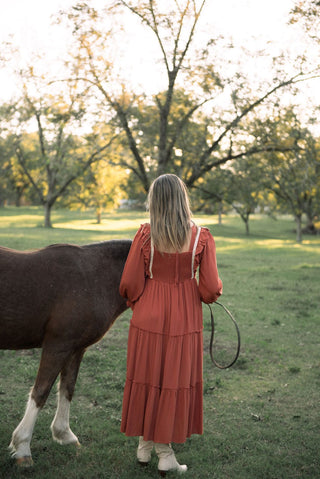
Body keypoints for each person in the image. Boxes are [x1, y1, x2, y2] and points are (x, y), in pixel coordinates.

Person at [119, 174, 222, 476]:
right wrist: (211, 293)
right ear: (182, 199)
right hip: (184, 317)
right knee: (171, 380)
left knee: (149, 378)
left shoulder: (145, 235)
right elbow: (210, 288)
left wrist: (137, 303)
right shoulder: (201, 236)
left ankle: (144, 447)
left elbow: (129, 282)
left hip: (148, 313)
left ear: (155, 201)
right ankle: (165, 453)